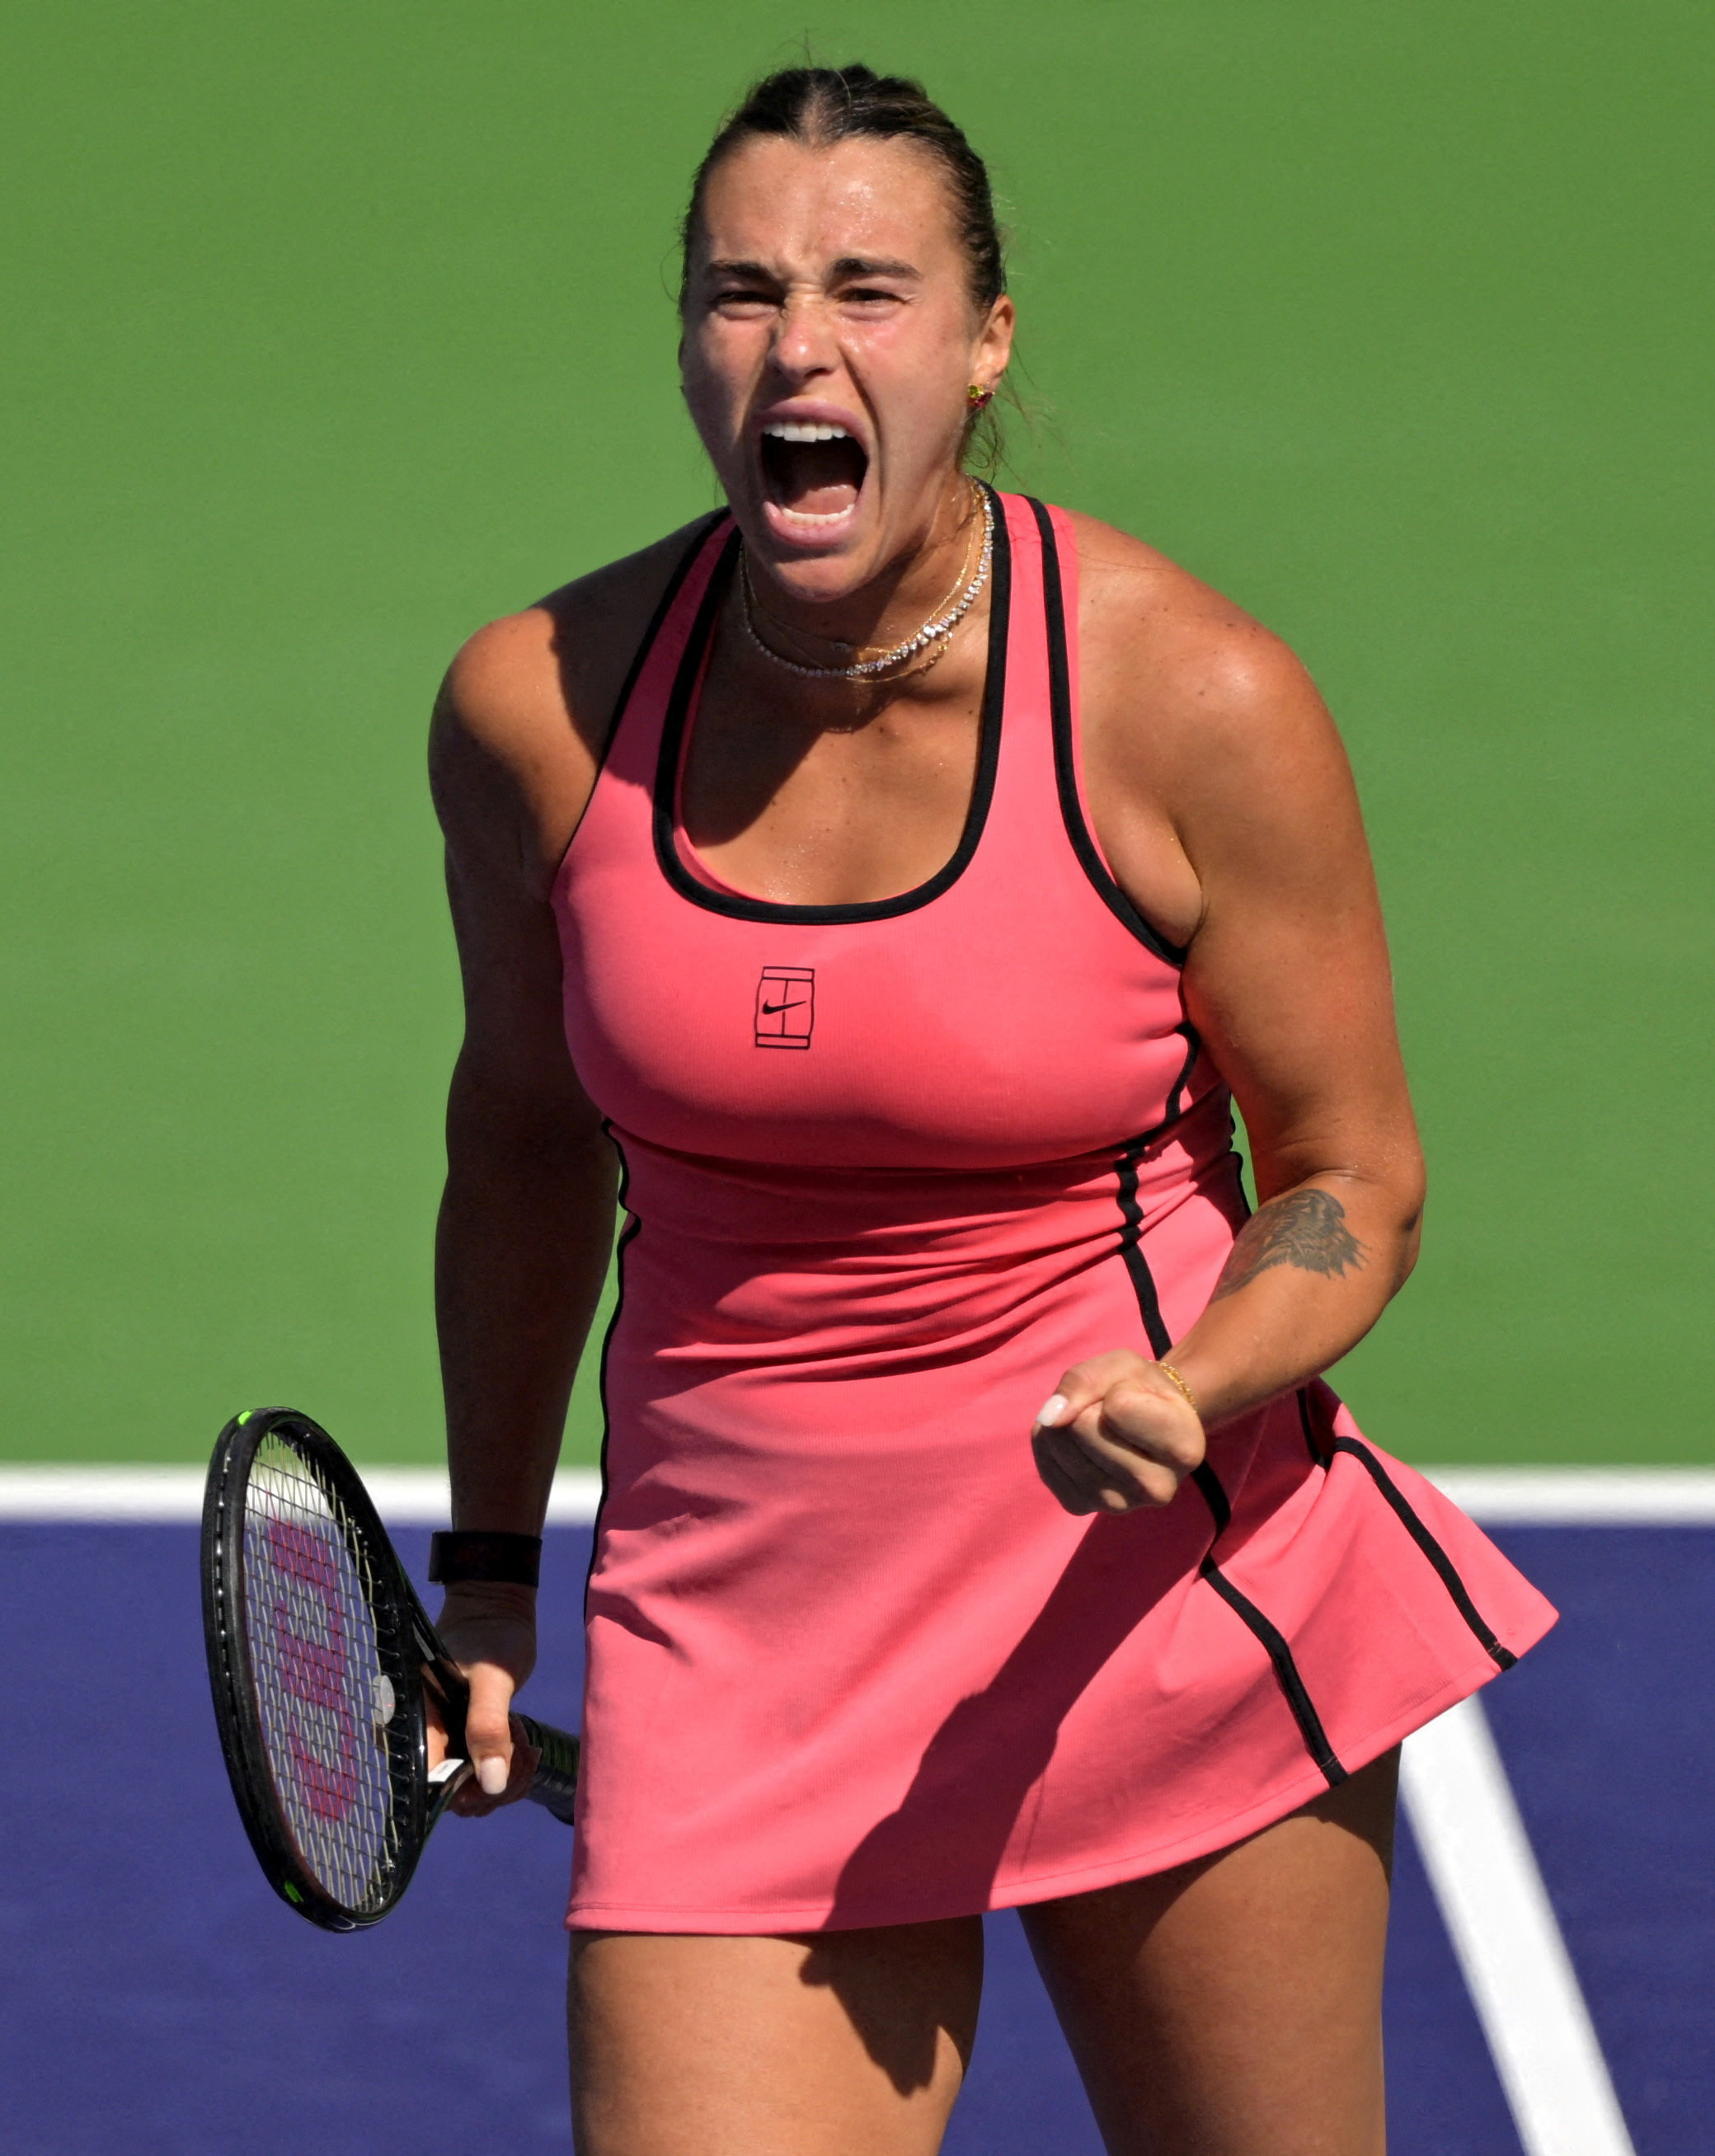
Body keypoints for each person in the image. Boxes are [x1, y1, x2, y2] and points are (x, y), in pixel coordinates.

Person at [421, 63, 1554, 2156]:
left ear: (983, 341)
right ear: (685, 337)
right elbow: (516, 1142)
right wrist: (490, 1569)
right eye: (741, 292)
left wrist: (1200, 1380)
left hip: (1149, 1598)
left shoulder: (1185, 699)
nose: (800, 348)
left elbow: (1346, 1177)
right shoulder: (537, 710)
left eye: (869, 289)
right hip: (732, 1631)